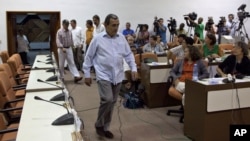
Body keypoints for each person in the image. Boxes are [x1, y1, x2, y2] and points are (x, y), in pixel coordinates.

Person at [83, 14, 138, 139]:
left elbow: (128, 55)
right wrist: (86, 74)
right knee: (107, 99)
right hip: (103, 75)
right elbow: (89, 56)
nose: (116, 27)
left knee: (112, 103)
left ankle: (105, 127)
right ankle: (99, 124)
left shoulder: (121, 38)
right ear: (106, 25)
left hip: (118, 75)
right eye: (113, 25)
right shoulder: (97, 39)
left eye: (118, 25)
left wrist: (134, 68)